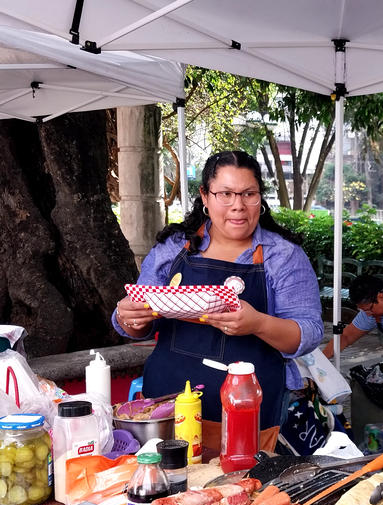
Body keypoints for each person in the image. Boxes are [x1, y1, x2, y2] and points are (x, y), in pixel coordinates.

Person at [113, 150, 323, 430]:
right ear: (205, 195)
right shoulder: (173, 247)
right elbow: (138, 323)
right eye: (225, 194)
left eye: (248, 194)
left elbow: (309, 333)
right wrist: (130, 317)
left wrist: (258, 323)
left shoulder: (282, 255)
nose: (238, 206)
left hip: (249, 410)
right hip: (168, 403)